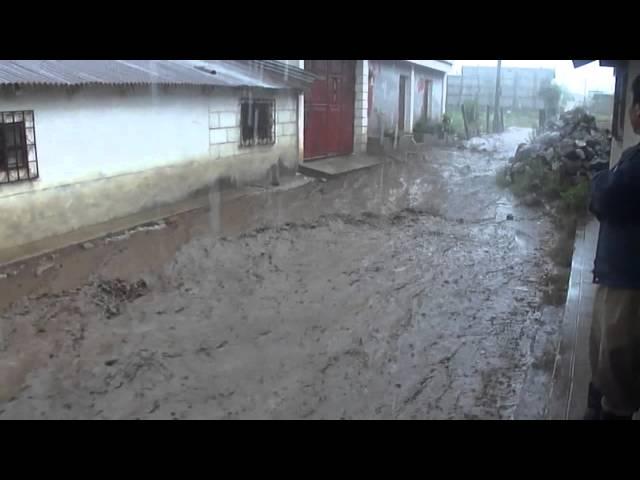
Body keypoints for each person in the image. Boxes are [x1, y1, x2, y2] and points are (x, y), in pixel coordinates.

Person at [585, 73, 640, 420]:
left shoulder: (636, 164)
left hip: (628, 283)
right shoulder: (634, 156)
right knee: (607, 362)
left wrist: (600, 180)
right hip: (618, 275)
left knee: (617, 365)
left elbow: (606, 197)